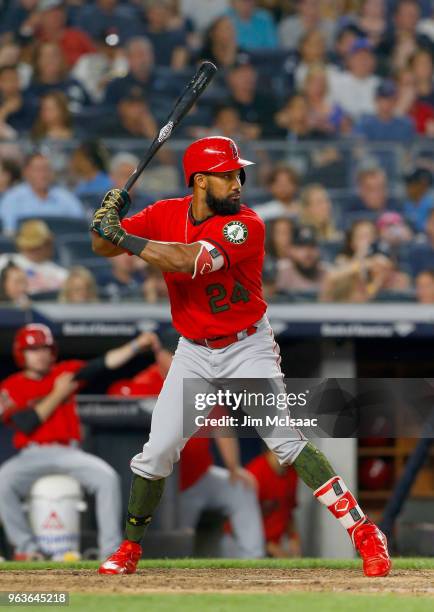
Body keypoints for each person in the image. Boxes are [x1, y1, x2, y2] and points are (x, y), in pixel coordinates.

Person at [90, 135, 391, 576]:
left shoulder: (245, 224)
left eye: (238, 174)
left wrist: (125, 235)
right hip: (193, 351)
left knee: (286, 442)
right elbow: (103, 247)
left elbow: (186, 261)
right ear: (198, 181)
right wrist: (106, 219)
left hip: (246, 347)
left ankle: (365, 532)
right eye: (227, 175)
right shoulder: (164, 214)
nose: (237, 183)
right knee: (156, 453)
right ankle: (130, 549)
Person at [0, 324, 154, 560]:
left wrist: (135, 346)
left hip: (69, 453)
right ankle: (26, 549)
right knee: (2, 481)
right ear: (22, 353)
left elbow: (104, 363)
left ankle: (109, 551)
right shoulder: (11, 385)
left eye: (45, 348)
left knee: (107, 478)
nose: (40, 354)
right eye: (33, 349)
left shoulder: (64, 372)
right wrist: (58, 393)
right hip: (31, 454)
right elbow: (26, 423)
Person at [108, 333, 265, 558]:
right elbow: (114, 397)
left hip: (201, 476)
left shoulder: (199, 381)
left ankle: (254, 558)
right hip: (169, 487)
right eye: (174, 355)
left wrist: (233, 467)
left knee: (241, 489)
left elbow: (221, 424)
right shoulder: (145, 383)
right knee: (179, 545)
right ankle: (177, 574)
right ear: (161, 355)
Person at [225, 448, 300, 558]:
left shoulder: (292, 472)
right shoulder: (255, 473)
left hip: (271, 547)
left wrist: (293, 538)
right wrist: (268, 546)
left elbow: (288, 510)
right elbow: (236, 523)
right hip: (241, 544)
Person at [0, 152, 86, 235]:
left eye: (46, 169)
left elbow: (80, 229)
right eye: (37, 170)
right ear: (25, 172)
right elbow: (9, 233)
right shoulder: (12, 199)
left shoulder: (66, 198)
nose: (43, 174)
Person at [0, 220, 68, 295]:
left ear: (47, 245)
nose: (34, 250)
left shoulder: (60, 273)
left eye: (38, 246)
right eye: (30, 247)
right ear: (20, 245)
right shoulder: (6, 261)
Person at [329, 38, 380, 121]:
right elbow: (331, 110)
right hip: (344, 129)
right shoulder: (336, 81)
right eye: (359, 57)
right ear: (349, 60)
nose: (363, 61)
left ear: (373, 61)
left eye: (367, 57)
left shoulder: (379, 84)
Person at [276, 224, 328, 292]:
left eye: (312, 246)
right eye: (301, 247)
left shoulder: (327, 273)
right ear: (290, 249)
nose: (307, 252)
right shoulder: (280, 272)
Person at [402, 167, 434, 233]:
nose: (408, 187)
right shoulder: (408, 203)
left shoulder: (431, 203)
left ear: (423, 184)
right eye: (407, 184)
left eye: (412, 183)